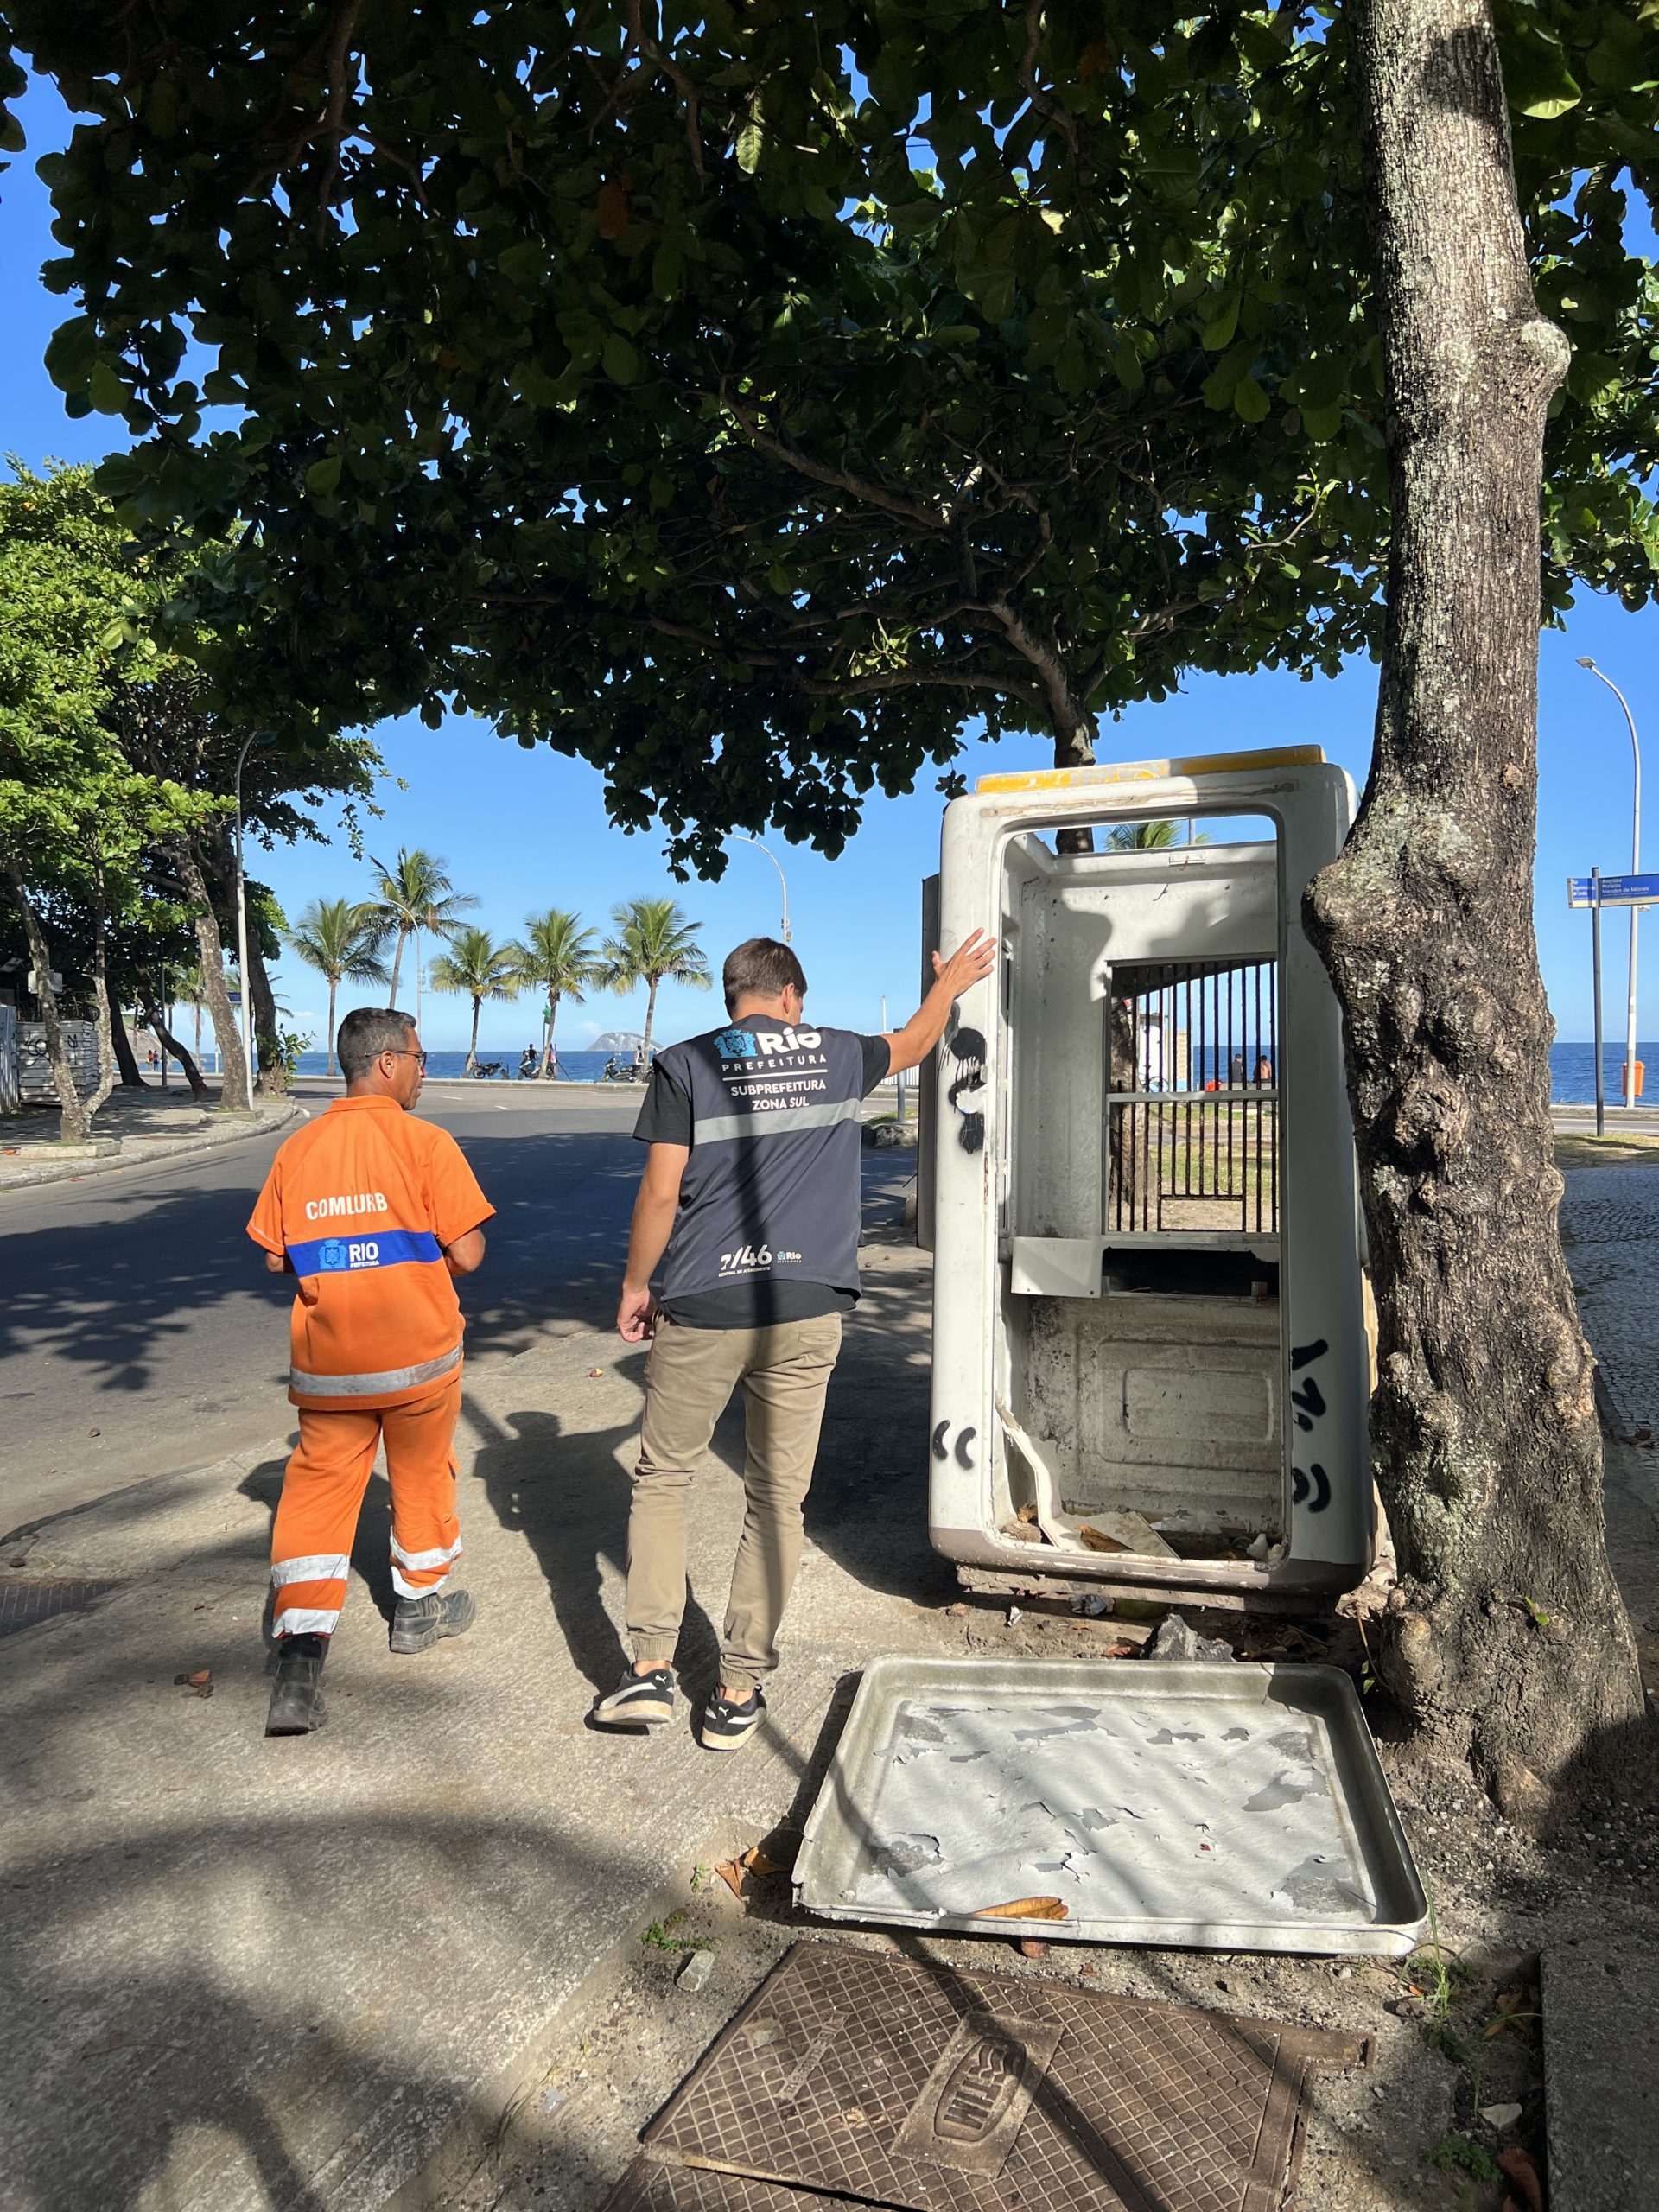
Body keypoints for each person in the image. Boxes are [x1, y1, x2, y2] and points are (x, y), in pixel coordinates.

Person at [597, 930, 995, 1751]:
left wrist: (639, 1285)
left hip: (704, 1301)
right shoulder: (838, 1053)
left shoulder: (685, 1063)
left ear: (734, 996)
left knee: (664, 1477)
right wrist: (951, 980)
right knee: (776, 1498)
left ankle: (650, 1671)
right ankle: (738, 1689)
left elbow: (661, 1190)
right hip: (807, 1303)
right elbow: (921, 1042)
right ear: (790, 996)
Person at [245, 1007, 494, 1737]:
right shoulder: (427, 1143)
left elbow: (272, 1254)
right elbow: (470, 1254)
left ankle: (298, 1659)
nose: (425, 1070)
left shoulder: (298, 1149)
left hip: (329, 1369)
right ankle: (420, 1610)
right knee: (420, 1476)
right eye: (419, 1056)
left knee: (318, 1497)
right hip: (418, 1360)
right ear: (387, 1061)